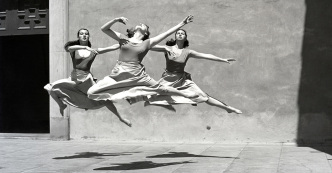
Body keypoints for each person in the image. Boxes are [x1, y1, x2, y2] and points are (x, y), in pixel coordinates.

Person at [128, 29, 242, 114]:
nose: (180, 34)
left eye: (182, 33)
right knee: (151, 94)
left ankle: (227, 108)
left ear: (185, 37)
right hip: (167, 79)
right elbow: (147, 45)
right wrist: (137, 38)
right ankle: (127, 94)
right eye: (178, 33)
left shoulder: (188, 52)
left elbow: (205, 55)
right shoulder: (166, 48)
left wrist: (222, 59)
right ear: (175, 36)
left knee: (203, 96)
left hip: (182, 80)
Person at [87, 15, 198, 102]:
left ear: (145, 33)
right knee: (91, 93)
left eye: (144, 26)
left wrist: (182, 23)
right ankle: (124, 94)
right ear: (134, 30)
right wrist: (116, 20)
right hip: (118, 74)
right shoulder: (123, 39)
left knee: (160, 88)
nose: (141, 24)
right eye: (140, 24)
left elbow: (166, 33)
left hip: (138, 75)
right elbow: (104, 29)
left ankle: (186, 94)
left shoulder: (147, 43)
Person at [44, 28, 132, 126]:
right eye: (81, 34)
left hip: (86, 80)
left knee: (105, 100)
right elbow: (68, 48)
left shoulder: (93, 51)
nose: (84, 35)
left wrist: (126, 42)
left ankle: (121, 118)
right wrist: (85, 48)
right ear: (78, 37)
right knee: (51, 88)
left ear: (88, 36)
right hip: (74, 79)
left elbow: (112, 47)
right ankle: (62, 105)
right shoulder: (74, 49)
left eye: (86, 34)